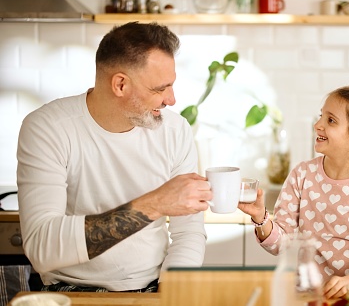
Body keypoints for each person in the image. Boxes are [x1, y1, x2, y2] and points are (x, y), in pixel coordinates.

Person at [16, 22, 213, 292]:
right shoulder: (48, 128)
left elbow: (188, 231)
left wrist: (171, 292)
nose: (171, 99)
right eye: (160, 89)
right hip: (70, 291)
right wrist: (154, 204)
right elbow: (42, 248)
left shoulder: (175, 131)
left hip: (155, 289)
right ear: (120, 84)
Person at [238, 85, 349, 300]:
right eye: (321, 116)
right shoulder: (302, 174)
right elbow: (283, 244)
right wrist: (260, 217)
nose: (318, 125)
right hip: (305, 298)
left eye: (330, 120)